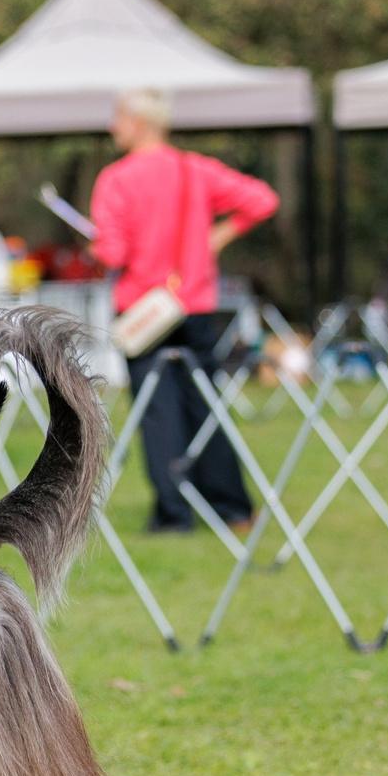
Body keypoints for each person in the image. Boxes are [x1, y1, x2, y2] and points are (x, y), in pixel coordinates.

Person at [88, 88, 276, 533]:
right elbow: (262, 200)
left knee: (158, 413)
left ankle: (174, 514)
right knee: (204, 405)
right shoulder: (196, 170)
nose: (113, 127)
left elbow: (114, 253)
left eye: (118, 118)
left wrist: (95, 247)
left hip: (143, 312)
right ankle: (232, 507)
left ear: (138, 122)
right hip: (193, 304)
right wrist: (220, 235)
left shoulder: (116, 179)